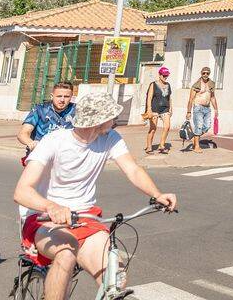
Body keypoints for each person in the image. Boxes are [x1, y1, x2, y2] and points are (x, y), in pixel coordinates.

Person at [13, 93, 179, 300]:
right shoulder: (54, 141)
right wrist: (52, 207)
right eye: (111, 116)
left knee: (114, 277)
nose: (115, 121)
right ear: (98, 121)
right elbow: (22, 191)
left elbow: (132, 170)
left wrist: (157, 194)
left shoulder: (110, 138)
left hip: (86, 219)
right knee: (66, 254)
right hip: (44, 220)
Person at [17, 82, 76, 164]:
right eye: (59, 96)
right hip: (40, 156)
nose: (62, 100)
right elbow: (23, 134)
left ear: (71, 97)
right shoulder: (40, 109)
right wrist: (31, 143)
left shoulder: (77, 111)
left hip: (65, 159)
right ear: (52, 96)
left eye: (66, 97)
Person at [183, 67, 219, 152]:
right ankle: (196, 147)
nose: (205, 75)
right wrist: (188, 112)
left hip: (207, 108)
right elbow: (191, 99)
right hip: (198, 107)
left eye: (207, 73)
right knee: (198, 126)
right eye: (204, 73)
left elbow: (213, 97)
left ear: (209, 74)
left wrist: (216, 109)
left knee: (207, 126)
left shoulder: (211, 84)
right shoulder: (196, 85)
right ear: (201, 73)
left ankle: (195, 138)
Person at [143, 67, 173, 154]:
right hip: (154, 108)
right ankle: (149, 146)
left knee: (167, 127)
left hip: (165, 108)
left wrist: (171, 107)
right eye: (164, 75)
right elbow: (149, 97)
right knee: (153, 128)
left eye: (167, 75)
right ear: (159, 75)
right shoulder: (153, 84)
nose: (165, 77)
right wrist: (149, 109)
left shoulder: (168, 85)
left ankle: (162, 145)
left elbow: (169, 97)